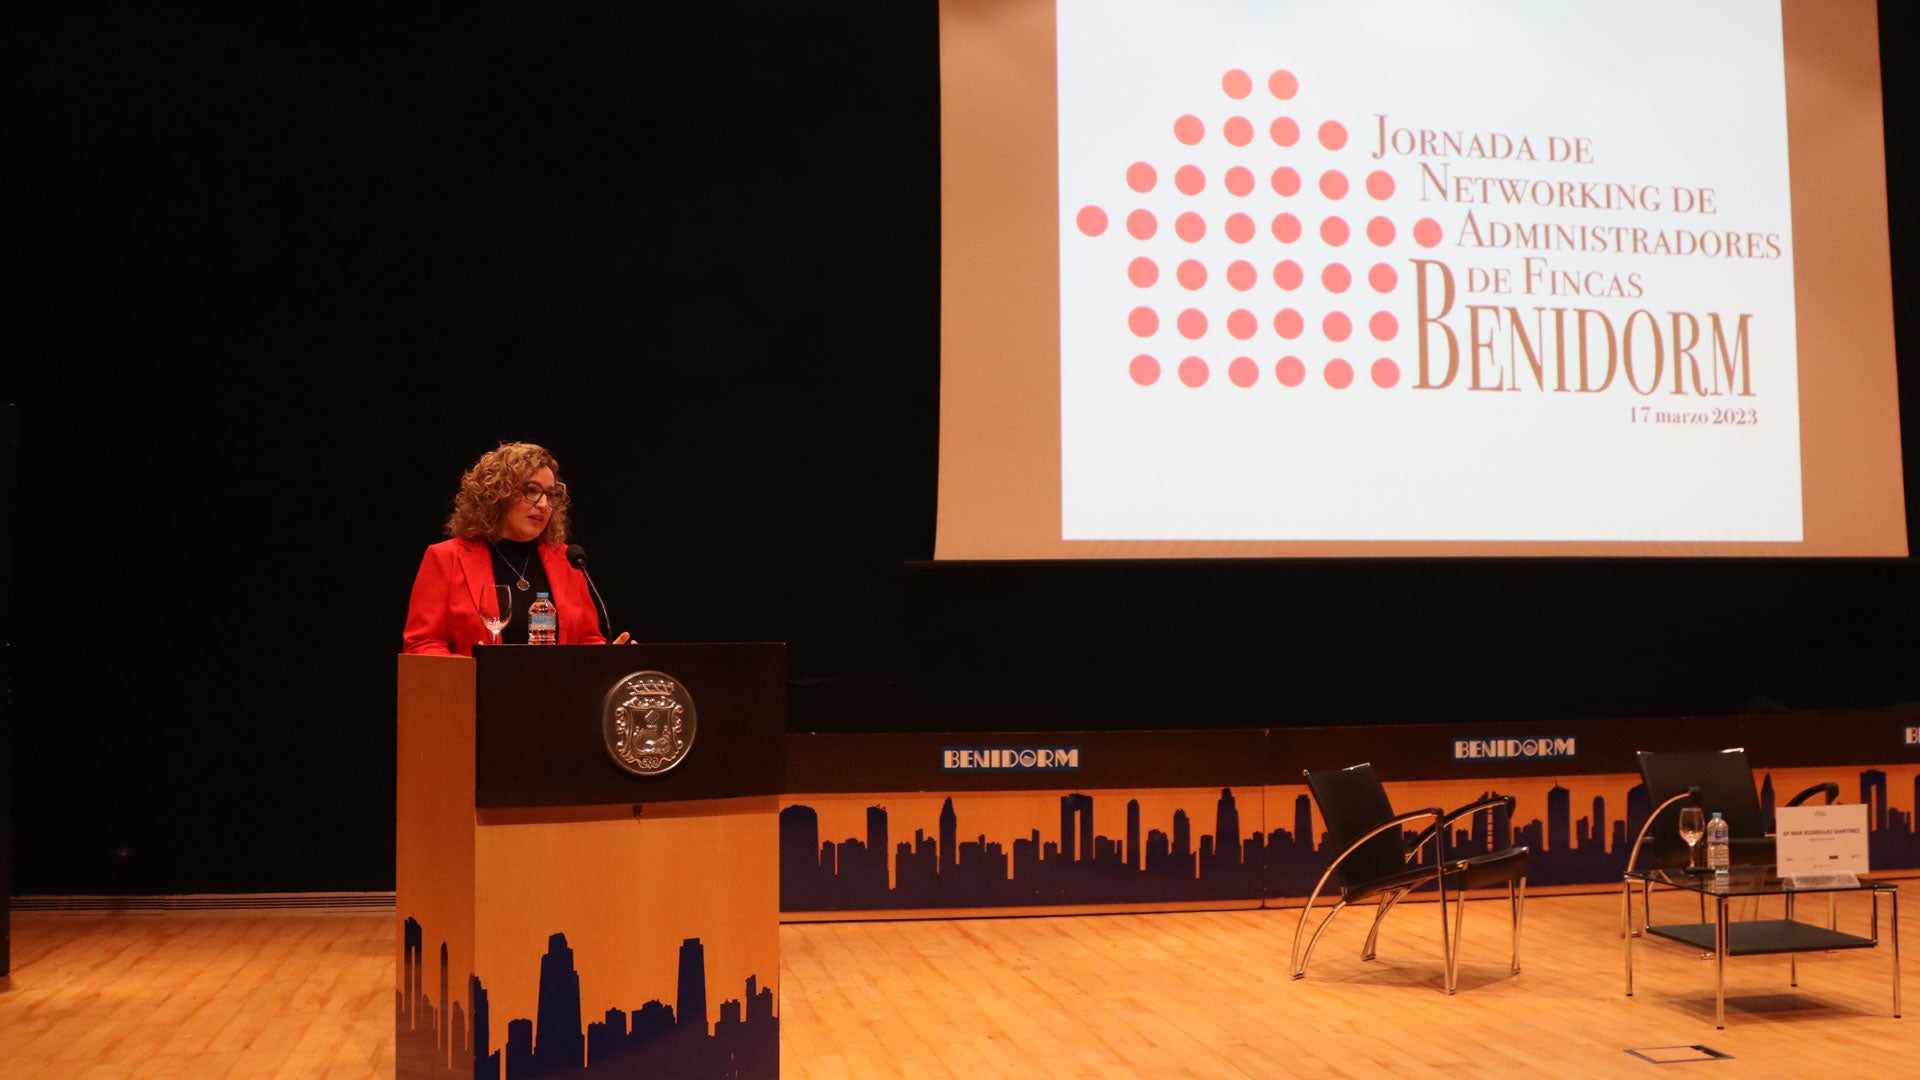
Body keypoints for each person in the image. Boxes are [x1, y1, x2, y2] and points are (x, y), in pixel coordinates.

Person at [402, 441, 630, 655]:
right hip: (476, 695)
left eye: (551, 495)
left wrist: (608, 655)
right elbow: (421, 644)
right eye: (531, 490)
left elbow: (587, 639)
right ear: (496, 494)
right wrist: (475, 669)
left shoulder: (568, 559)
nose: (543, 504)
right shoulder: (446, 558)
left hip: (557, 695)